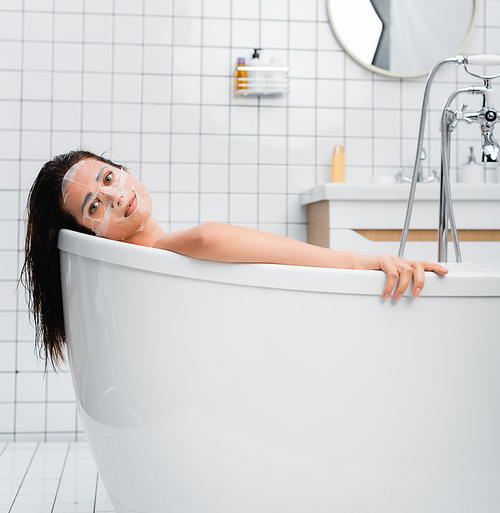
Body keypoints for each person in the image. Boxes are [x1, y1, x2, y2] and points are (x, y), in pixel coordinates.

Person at [21, 150, 448, 367]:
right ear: (86, 236)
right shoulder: (158, 254)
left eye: (109, 177)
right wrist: (360, 262)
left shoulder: (154, 257)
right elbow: (209, 238)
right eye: (95, 207)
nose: (116, 196)